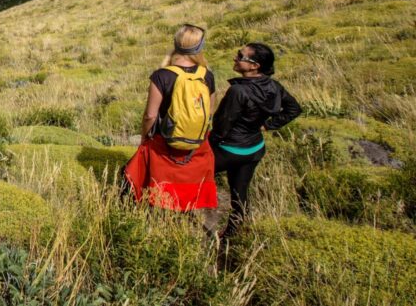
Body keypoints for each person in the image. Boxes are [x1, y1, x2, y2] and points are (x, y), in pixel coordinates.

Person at [124, 24, 219, 211]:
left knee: (154, 182)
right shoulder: (207, 75)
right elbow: (209, 111)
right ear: (200, 47)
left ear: (175, 44)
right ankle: (184, 212)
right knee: (189, 183)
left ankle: (158, 213)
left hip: (164, 141)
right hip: (197, 142)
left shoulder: (162, 76)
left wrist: (145, 138)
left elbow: (150, 115)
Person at [210, 42, 301, 238]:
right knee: (239, 191)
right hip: (254, 149)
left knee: (191, 172)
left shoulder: (238, 91)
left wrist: (209, 144)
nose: (235, 58)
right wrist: (266, 126)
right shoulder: (273, 86)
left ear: (254, 66)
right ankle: (233, 232)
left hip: (230, 150)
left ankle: (181, 216)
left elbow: (222, 125)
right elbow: (294, 109)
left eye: (240, 56)